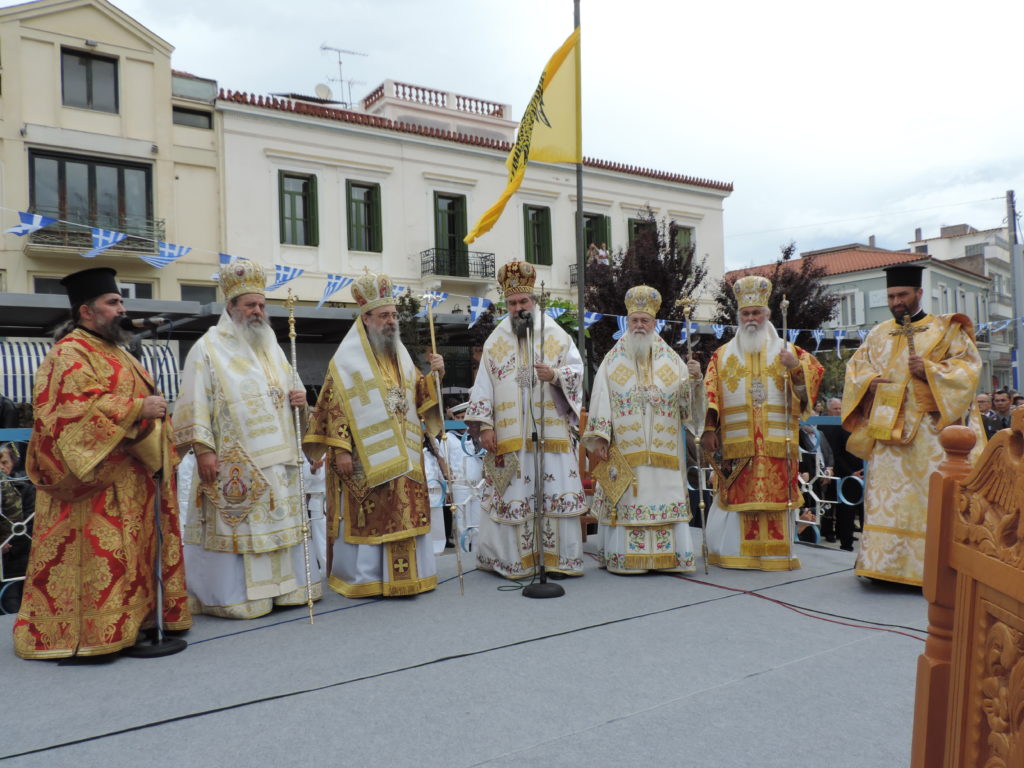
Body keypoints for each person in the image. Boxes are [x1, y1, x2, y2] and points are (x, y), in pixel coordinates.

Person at [13, 267, 191, 658]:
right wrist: (136, 407)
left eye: (121, 302)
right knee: (100, 558)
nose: (121, 309)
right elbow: (69, 412)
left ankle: (132, 624)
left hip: (133, 482)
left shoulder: (120, 353)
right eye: (113, 303)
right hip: (92, 485)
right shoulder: (69, 352)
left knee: (132, 557)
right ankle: (92, 635)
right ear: (86, 311)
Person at [174, 259, 321, 618]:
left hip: (280, 461)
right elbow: (194, 403)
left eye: (261, 305)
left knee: (279, 525)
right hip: (235, 463)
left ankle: (286, 591)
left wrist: (300, 402)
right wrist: (204, 450)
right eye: (250, 305)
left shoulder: (271, 345)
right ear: (231, 307)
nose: (257, 312)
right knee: (241, 528)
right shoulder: (208, 348)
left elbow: (289, 389)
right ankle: (235, 597)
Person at [303, 271, 445, 598]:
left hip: (406, 455)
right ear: (366, 319)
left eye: (394, 315)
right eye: (384, 316)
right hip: (366, 457)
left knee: (405, 512)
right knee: (372, 515)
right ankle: (368, 579)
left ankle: (410, 576)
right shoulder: (346, 361)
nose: (391, 321)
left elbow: (418, 394)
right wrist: (340, 450)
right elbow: (333, 405)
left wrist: (436, 374)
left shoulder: (400, 355)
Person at [842, 264, 982, 586]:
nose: (896, 301)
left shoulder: (946, 330)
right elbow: (855, 371)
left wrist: (931, 371)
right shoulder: (877, 334)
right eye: (891, 296)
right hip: (887, 434)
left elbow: (969, 370)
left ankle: (927, 570)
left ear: (919, 293)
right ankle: (884, 567)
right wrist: (871, 382)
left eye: (902, 294)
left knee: (927, 500)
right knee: (887, 500)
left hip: (930, 436)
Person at [464, 261, 586, 579]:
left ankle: (557, 561)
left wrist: (556, 374)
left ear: (534, 301)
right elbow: (483, 385)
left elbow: (577, 371)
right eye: (512, 303)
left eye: (523, 302)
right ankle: (513, 560)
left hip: (551, 436)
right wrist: (486, 426)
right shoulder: (495, 340)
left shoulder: (556, 336)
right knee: (512, 495)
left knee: (553, 494)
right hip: (509, 437)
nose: (518, 308)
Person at [700, 275, 824, 571]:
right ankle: (732, 552)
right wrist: (708, 429)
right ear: (739, 316)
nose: (751, 318)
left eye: (757, 313)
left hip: (775, 444)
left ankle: (775, 555)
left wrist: (795, 370)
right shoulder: (723, 355)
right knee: (735, 497)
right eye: (746, 313)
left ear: (767, 315)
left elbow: (811, 385)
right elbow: (710, 392)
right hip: (738, 444)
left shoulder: (789, 352)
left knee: (773, 498)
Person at [583, 286, 705, 573]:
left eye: (645, 321)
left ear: (654, 324)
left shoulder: (673, 360)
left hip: (665, 452)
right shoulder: (612, 360)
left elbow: (687, 406)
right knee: (628, 496)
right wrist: (600, 436)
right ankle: (626, 559)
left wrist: (696, 381)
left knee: (665, 495)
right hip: (626, 451)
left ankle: (669, 558)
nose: (639, 326)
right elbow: (600, 396)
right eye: (634, 320)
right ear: (627, 321)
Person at [818, 397, 862, 550]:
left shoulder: (858, 423)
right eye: (836, 409)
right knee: (841, 508)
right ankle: (839, 538)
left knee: (855, 509)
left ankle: (849, 537)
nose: (839, 412)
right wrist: (851, 472)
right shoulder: (834, 426)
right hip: (842, 474)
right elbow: (835, 453)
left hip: (861, 473)